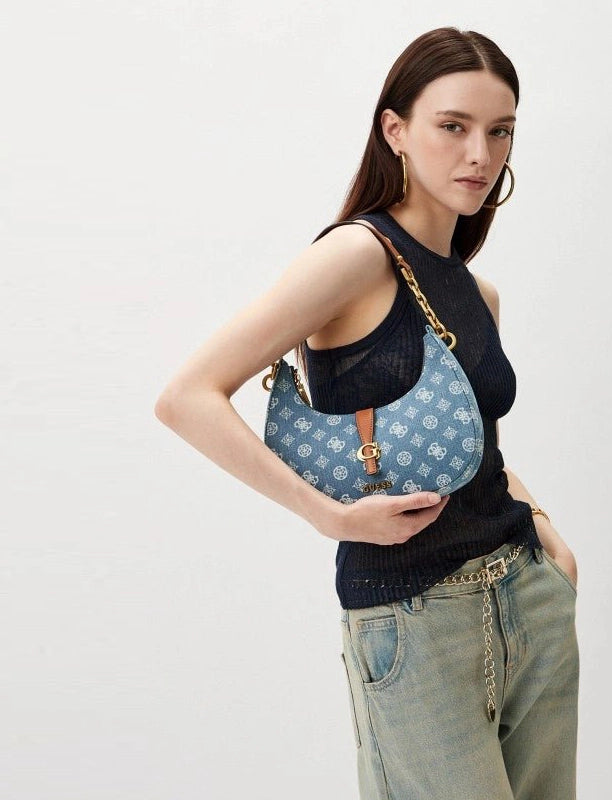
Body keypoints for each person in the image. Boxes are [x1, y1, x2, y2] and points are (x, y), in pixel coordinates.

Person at [155, 26, 580, 800]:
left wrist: (546, 531)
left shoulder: (476, 292)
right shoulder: (357, 256)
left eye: (500, 131)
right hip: (416, 617)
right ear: (396, 130)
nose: (480, 155)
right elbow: (186, 396)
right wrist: (329, 516)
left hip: (529, 596)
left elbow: (477, 449)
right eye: (453, 126)